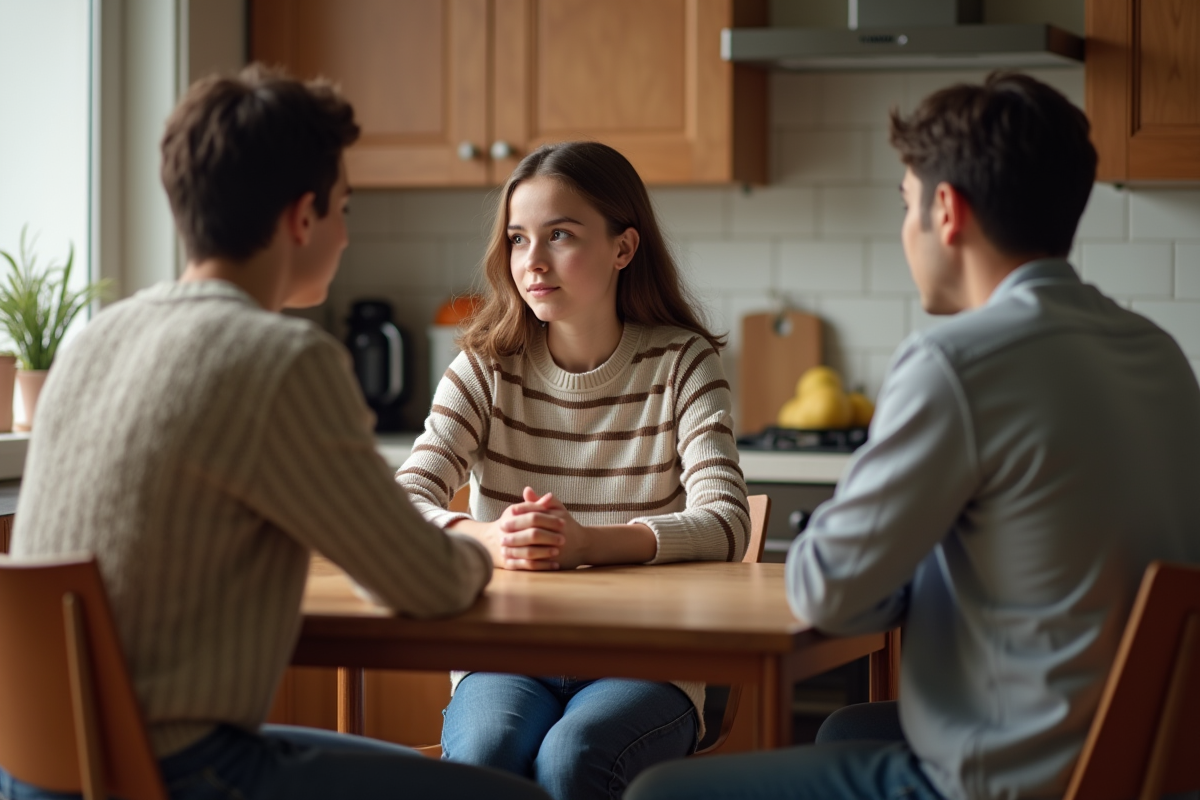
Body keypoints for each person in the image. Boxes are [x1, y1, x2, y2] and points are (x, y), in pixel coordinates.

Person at [625, 72, 1200, 800]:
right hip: (1144, 756)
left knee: (659, 794)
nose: (905, 231)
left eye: (906, 205)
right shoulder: (1158, 352)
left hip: (1014, 777)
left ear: (948, 212)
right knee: (847, 731)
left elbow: (826, 591)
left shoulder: (956, 363)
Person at [4, 65, 549, 800]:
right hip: (174, 772)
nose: (347, 234)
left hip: (37, 770)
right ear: (302, 218)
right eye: (344, 210)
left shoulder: (95, 340)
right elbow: (423, 582)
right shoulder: (282, 360)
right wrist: (486, 545)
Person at [396, 140, 749, 800]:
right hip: (505, 659)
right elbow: (400, 502)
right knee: (489, 751)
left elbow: (728, 521)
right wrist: (489, 540)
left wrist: (587, 543)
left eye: (559, 236)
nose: (531, 262)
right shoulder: (484, 367)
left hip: (647, 662)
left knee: (573, 756)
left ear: (624, 247)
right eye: (517, 238)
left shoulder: (683, 363)